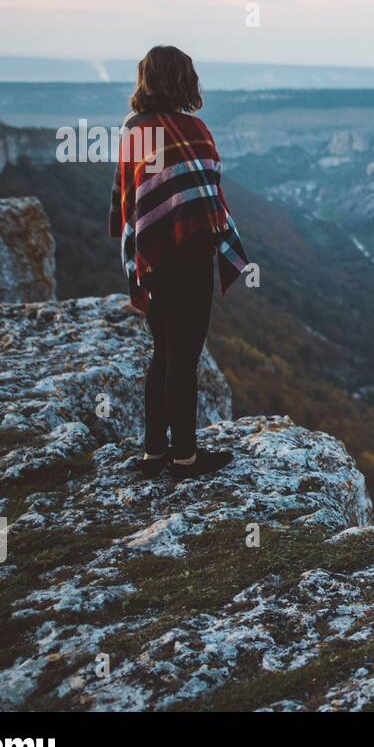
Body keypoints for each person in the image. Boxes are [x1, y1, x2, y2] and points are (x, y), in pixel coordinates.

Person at [107, 46, 250, 480]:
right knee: (184, 358)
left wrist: (140, 255)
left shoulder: (135, 129)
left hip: (154, 258)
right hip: (189, 256)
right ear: (185, 81)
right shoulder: (195, 127)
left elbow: (131, 201)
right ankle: (186, 458)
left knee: (163, 352)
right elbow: (207, 190)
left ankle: (154, 453)